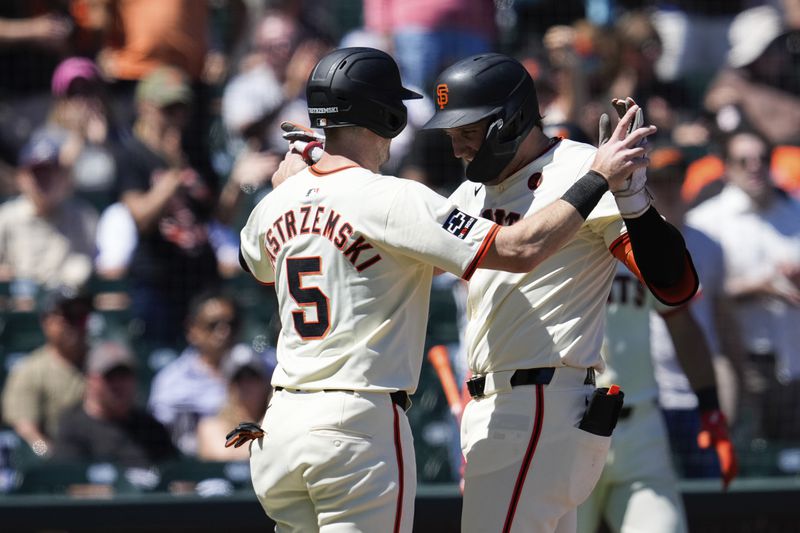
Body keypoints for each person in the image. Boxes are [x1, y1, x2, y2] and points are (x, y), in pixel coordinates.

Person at [238, 47, 656, 532]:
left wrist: (295, 185)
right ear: (388, 115)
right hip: (353, 423)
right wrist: (599, 178)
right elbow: (519, 249)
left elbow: (260, 268)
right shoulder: (394, 199)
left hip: (280, 425)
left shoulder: (278, 199)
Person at [420, 54, 699, 533]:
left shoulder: (583, 167)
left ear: (509, 120)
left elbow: (673, 285)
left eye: (467, 131)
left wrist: (633, 201)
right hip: (503, 407)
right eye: (452, 134)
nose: (459, 147)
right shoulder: (469, 195)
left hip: (539, 403)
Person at [577, 148, 739, 533]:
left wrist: (711, 408)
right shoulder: (550, 241)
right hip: (568, 426)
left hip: (640, 428)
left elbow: (682, 326)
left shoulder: (642, 238)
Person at [686, 129, 800, 444]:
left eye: (762, 158)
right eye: (743, 160)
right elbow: (694, 295)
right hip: (741, 359)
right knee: (751, 451)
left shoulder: (794, 212)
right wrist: (756, 286)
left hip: (793, 355)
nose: (755, 166)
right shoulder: (707, 221)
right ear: (726, 166)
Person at [147, 290, 258, 456]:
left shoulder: (258, 366)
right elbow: (160, 437)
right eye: (213, 325)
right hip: (195, 469)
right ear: (192, 329)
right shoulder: (171, 381)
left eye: (231, 324)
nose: (223, 332)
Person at [53, 341, 179, 467]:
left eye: (124, 375)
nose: (118, 384)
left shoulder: (150, 427)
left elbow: (174, 475)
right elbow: (70, 481)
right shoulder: (73, 426)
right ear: (90, 380)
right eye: (110, 377)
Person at [0, 133, 98, 291]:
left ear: (62, 176)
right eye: (36, 174)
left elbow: (85, 266)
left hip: (66, 304)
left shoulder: (82, 216)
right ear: (22, 178)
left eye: (49, 173)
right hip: (18, 307)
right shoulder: (6, 217)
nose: (43, 181)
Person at [1, 288, 92, 458]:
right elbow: (27, 431)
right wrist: (50, 456)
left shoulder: (105, 364)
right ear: (46, 322)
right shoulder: (29, 370)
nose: (74, 324)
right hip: (56, 464)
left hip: (105, 459)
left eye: (80, 316)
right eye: (66, 316)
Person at [196, 348, 273, 462]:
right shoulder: (210, 427)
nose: (246, 384)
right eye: (238, 377)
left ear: (265, 383)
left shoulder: (277, 421)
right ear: (229, 386)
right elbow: (222, 457)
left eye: (252, 376)